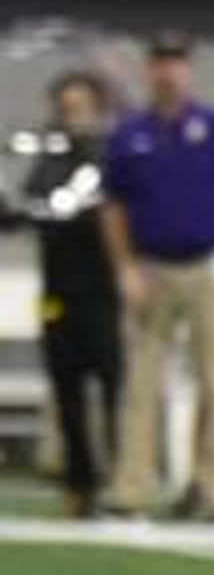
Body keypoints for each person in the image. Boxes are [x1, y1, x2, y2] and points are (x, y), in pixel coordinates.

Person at [101, 30, 214, 521]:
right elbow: (113, 207)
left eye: (177, 62)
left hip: (209, 266)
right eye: (161, 61)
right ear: (149, 69)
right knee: (141, 383)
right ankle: (132, 488)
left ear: (189, 69)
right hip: (153, 267)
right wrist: (124, 267)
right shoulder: (131, 134)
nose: (169, 71)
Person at [9, 73, 124, 517]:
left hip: (101, 288)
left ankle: (120, 479)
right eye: (66, 106)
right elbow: (27, 212)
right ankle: (79, 482)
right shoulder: (49, 160)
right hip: (56, 291)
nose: (73, 114)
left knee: (113, 386)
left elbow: (106, 212)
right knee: (66, 389)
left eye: (81, 106)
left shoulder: (108, 157)